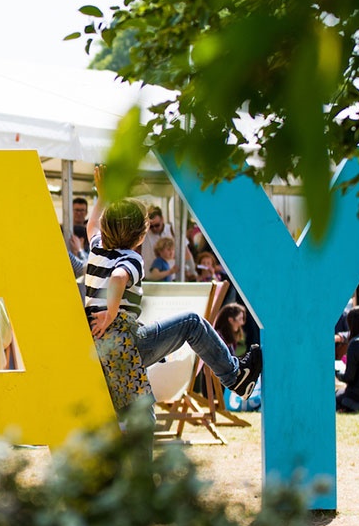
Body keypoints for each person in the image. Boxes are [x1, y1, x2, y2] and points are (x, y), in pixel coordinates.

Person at [84, 177, 262, 421]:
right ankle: (235, 377)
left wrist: (103, 194)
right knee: (192, 323)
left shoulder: (97, 249)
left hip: (100, 346)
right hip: (128, 343)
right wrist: (111, 313)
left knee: (140, 416)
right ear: (139, 237)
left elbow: (91, 225)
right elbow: (117, 277)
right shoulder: (130, 259)